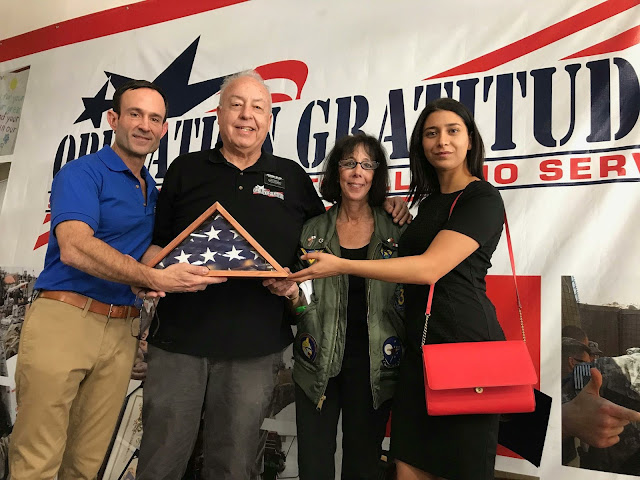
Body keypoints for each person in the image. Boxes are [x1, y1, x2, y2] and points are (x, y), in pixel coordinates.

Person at [134, 71, 410, 480]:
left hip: (255, 350)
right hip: (178, 344)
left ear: (269, 119)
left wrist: (383, 202)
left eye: (258, 107)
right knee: (161, 462)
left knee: (234, 466)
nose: (246, 115)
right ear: (219, 113)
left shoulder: (292, 177)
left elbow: (326, 235)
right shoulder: (184, 169)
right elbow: (157, 245)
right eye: (236, 105)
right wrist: (150, 278)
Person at [9, 80, 223, 480]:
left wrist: (214, 263)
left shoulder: (151, 189)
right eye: (135, 114)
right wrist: (150, 275)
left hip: (122, 328)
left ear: (164, 129)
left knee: (86, 464)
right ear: (113, 119)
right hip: (65, 319)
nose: (144, 125)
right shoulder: (82, 172)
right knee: (37, 461)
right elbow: (75, 246)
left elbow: (146, 254)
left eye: (154, 118)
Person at [291, 97, 508, 480]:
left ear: (470, 140)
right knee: (406, 466)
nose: (442, 141)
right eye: (431, 133)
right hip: (416, 352)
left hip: (464, 347)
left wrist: (341, 264)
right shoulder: (427, 205)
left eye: (453, 131)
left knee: (462, 468)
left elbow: (429, 269)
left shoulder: (482, 197)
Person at [291, 134, 405, 479]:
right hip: (317, 364)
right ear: (336, 172)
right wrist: (292, 298)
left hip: (375, 367)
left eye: (367, 164)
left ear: (376, 174)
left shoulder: (397, 229)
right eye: (349, 163)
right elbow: (300, 307)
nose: (358, 172)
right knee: (314, 465)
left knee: (363, 465)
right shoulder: (311, 231)